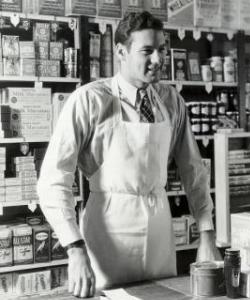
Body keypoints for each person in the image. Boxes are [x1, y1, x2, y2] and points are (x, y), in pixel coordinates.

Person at [37, 11, 221, 298]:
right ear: (120, 51)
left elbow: (193, 171)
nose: (158, 60)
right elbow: (52, 179)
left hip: (159, 230)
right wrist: (74, 248)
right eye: (147, 51)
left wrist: (207, 234)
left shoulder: (171, 101)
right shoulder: (89, 100)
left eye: (162, 50)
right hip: (110, 233)